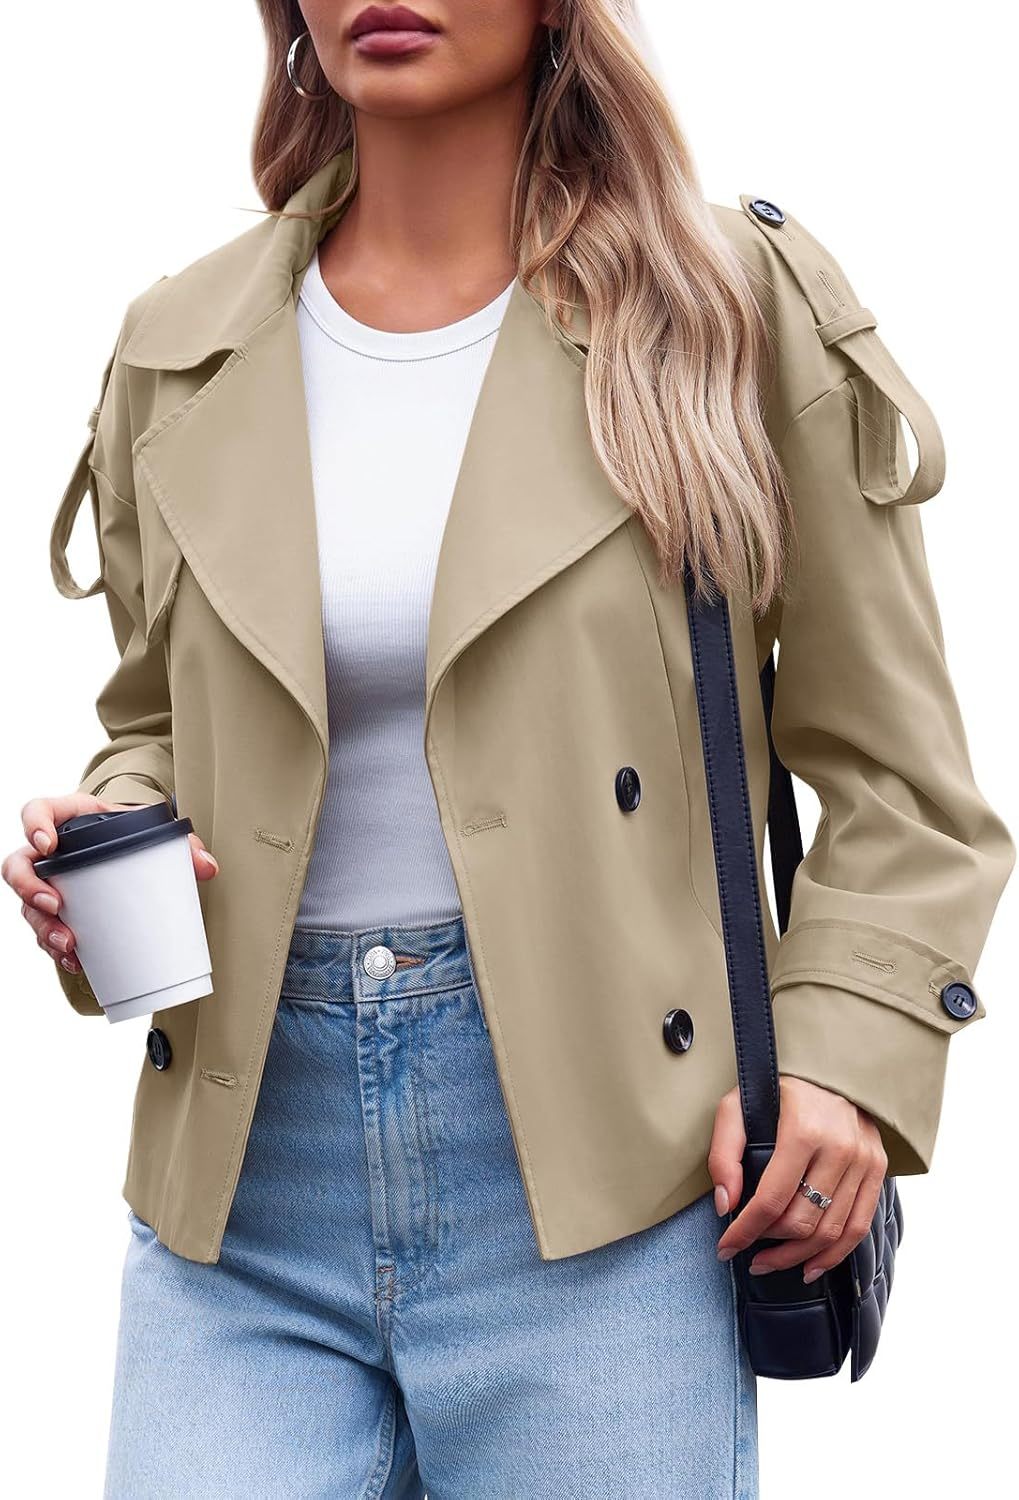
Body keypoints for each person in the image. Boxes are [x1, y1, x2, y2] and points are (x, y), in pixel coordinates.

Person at [7, 3, 1013, 1495]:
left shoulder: (718, 307)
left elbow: (898, 778)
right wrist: (104, 836)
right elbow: (154, 719)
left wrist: (848, 1061)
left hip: (614, 1173)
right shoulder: (185, 340)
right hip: (242, 1189)